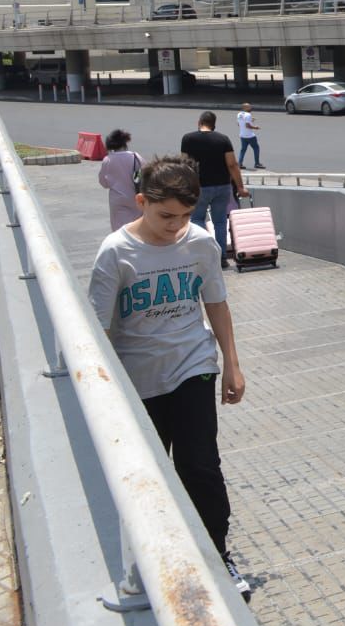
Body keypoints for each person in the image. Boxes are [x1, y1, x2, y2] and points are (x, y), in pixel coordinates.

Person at [86, 154, 251, 600]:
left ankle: (218, 555)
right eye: (165, 216)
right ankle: (157, 560)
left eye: (184, 216)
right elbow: (98, 327)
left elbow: (216, 303)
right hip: (137, 378)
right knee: (149, 474)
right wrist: (102, 390)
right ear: (141, 202)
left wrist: (231, 363)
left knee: (200, 466)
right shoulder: (116, 252)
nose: (175, 226)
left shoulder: (200, 243)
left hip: (193, 366)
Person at [180, 112, 247, 269]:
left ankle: (206, 254)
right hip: (222, 186)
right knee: (220, 222)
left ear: (199, 122)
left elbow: (184, 165)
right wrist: (240, 187)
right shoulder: (223, 139)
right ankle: (222, 257)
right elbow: (232, 164)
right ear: (214, 124)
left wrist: (184, 186)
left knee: (197, 220)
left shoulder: (188, 139)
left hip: (199, 187)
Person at [96, 129, 144, 231]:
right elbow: (142, 175)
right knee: (136, 228)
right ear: (124, 143)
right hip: (135, 198)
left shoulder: (108, 160)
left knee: (119, 230)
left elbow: (103, 183)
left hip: (117, 200)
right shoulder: (135, 157)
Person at [235, 103, 264, 170]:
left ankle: (239, 164)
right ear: (244, 108)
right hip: (250, 136)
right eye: (249, 107)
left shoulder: (239, 114)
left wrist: (251, 120)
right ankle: (257, 163)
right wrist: (255, 127)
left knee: (243, 150)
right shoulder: (248, 115)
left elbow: (239, 124)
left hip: (242, 135)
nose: (250, 108)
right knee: (256, 148)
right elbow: (247, 126)